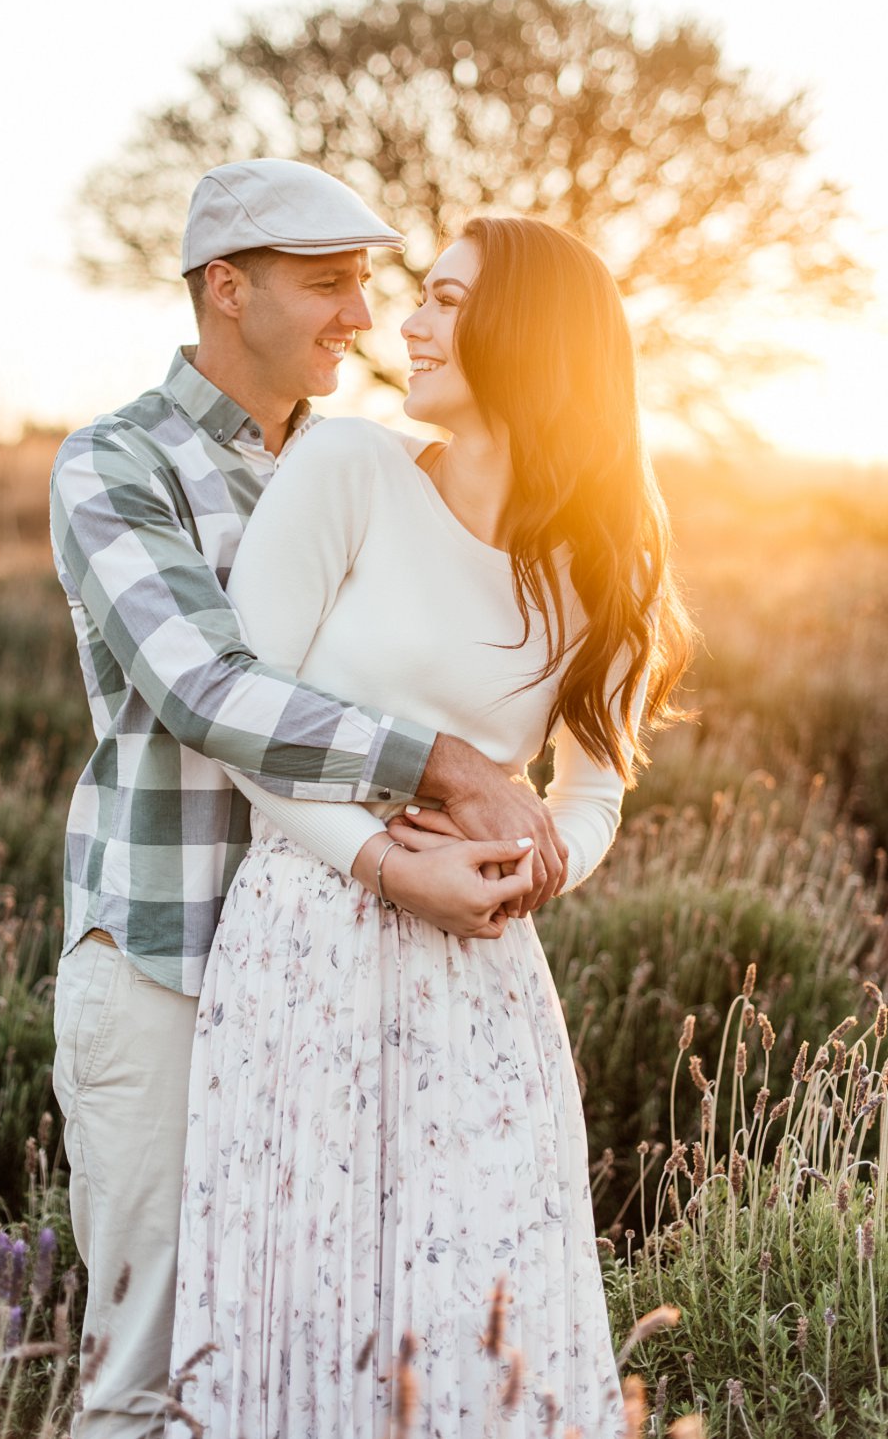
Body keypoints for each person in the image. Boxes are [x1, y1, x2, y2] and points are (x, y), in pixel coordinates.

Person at [49, 161, 569, 1439]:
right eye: (329, 283)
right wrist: (446, 765)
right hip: (172, 961)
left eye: (369, 284)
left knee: (323, 1363)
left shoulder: (373, 466)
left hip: (331, 986)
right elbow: (205, 691)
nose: (361, 314)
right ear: (228, 290)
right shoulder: (118, 465)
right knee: (157, 1372)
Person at [170, 215, 695, 1437]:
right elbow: (240, 712)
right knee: (309, 1301)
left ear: (534, 338)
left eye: (449, 302)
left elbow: (596, 789)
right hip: (309, 940)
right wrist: (381, 861)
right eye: (422, 298)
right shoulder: (348, 468)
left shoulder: (597, 564)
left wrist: (520, 873)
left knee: (479, 1310)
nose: (406, 323)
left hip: (481, 979)